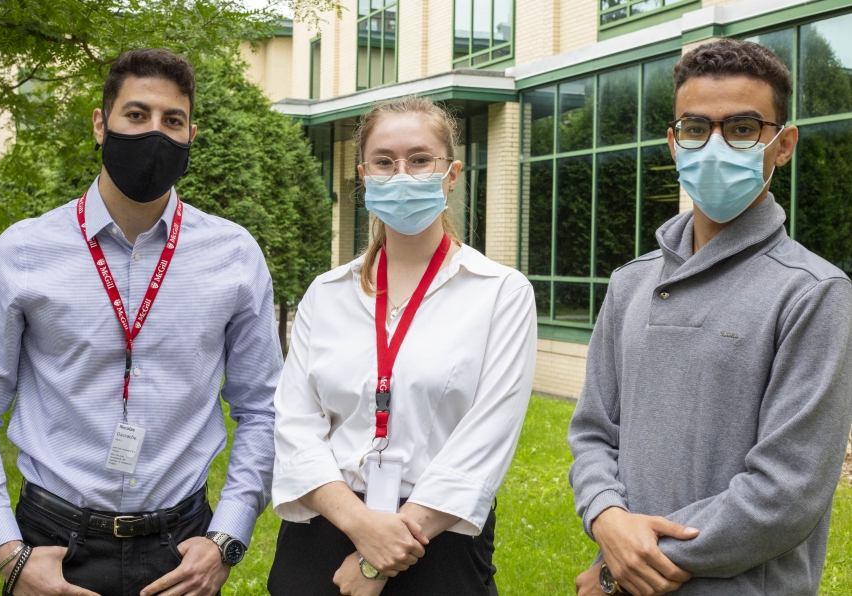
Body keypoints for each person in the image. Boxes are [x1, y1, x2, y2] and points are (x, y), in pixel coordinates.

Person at [0, 49, 282, 596]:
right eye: (136, 115)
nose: (154, 132)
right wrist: (6, 551)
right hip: (53, 543)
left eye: (172, 121)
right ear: (101, 125)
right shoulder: (22, 252)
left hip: (180, 550)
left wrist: (227, 538)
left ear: (191, 135)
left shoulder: (235, 255)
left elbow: (262, 409)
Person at [569, 38, 852, 596]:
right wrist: (606, 517)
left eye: (743, 128)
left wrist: (621, 566)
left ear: (783, 143)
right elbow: (593, 433)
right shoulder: (630, 283)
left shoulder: (814, 293)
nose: (716, 144)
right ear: (675, 144)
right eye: (697, 128)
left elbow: (785, 493)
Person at [266, 96, 537, 596]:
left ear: (451, 174)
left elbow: (487, 438)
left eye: (419, 159)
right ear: (364, 176)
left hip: (439, 543)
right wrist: (361, 527)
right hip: (322, 537)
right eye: (384, 162)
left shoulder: (500, 293)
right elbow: (295, 426)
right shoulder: (326, 295)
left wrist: (378, 561)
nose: (402, 174)